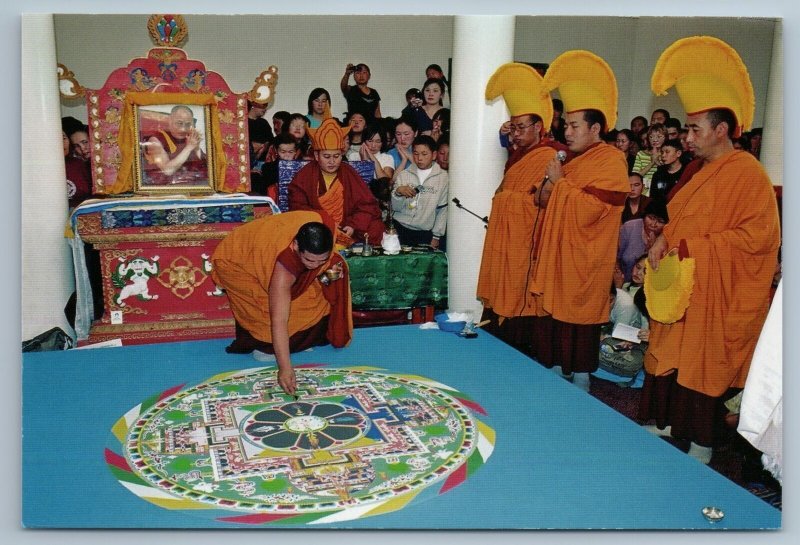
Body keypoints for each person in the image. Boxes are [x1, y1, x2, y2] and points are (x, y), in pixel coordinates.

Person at [642, 36, 781, 464]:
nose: (687, 137)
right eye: (686, 128)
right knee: (670, 356)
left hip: (717, 295)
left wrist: (691, 245)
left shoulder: (749, 176)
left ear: (721, 130)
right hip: (686, 288)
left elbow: (758, 242)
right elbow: (682, 222)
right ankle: (667, 425)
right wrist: (665, 239)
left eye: (693, 128)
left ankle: (701, 445)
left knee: (703, 365)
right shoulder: (699, 173)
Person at [532, 50, 630, 392]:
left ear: (596, 128)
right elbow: (543, 199)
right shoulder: (572, 162)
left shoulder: (611, 160)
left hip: (588, 257)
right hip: (563, 253)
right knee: (557, 317)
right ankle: (559, 369)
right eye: (566, 125)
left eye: (574, 126)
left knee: (582, 320)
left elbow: (593, 210)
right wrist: (552, 184)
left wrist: (560, 184)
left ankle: (583, 378)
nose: (567, 132)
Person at [477, 62, 567, 352]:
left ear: (538, 127)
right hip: (507, 237)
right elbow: (509, 189)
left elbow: (543, 199)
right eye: (512, 127)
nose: (514, 134)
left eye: (520, 128)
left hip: (527, 241)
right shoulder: (520, 156)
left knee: (520, 294)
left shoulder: (549, 155)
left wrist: (506, 200)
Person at [211, 212, 352, 394]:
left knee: (311, 299)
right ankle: (266, 348)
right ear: (295, 246)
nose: (315, 265)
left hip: (267, 242)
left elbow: (323, 257)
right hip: (237, 263)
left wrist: (324, 268)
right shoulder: (283, 269)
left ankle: (299, 340)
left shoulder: (325, 230)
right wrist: (285, 368)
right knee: (266, 310)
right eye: (309, 260)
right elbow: (279, 320)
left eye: (322, 260)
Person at [288, 116, 385, 248]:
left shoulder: (348, 173)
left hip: (346, 226)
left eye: (336, 156)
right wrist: (325, 221)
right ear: (316, 156)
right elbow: (298, 206)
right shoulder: (304, 175)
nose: (332, 161)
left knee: (376, 227)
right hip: (318, 226)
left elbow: (367, 205)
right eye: (326, 156)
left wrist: (353, 225)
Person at [390, 135, 449, 249]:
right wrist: (398, 192)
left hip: (425, 232)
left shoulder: (443, 178)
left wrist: (436, 236)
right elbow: (395, 207)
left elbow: (442, 210)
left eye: (424, 154)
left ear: (434, 155)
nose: (419, 158)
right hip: (400, 228)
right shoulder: (404, 174)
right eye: (416, 154)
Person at [142, 104, 207, 185]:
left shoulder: (188, 138)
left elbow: (205, 168)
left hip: (191, 184)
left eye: (187, 124)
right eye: (179, 123)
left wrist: (196, 148)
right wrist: (189, 147)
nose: (183, 129)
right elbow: (168, 171)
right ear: (169, 121)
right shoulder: (155, 140)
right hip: (162, 188)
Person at [618, 199, 668, 282]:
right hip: (622, 284)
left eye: (660, 221)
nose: (653, 224)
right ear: (644, 215)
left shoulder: (666, 237)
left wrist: (652, 248)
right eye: (651, 218)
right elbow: (615, 257)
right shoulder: (629, 227)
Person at [632, 122, 667, 195]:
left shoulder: (666, 154)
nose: (655, 140)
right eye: (651, 137)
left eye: (659, 136)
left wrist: (657, 160)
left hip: (662, 189)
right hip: (644, 192)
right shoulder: (641, 154)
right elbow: (636, 176)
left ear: (665, 137)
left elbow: (667, 173)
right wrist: (652, 162)